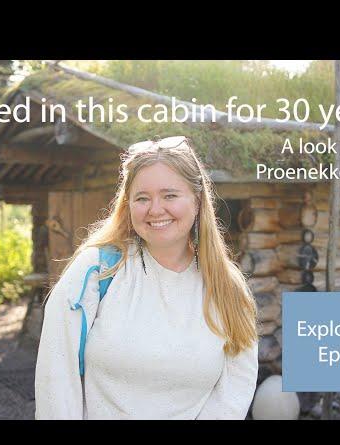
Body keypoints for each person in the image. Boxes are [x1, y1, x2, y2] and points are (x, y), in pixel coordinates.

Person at [35, 135, 258, 420]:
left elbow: (234, 390)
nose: (155, 209)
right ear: (128, 205)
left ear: (198, 200)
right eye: (142, 198)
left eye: (169, 195)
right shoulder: (97, 270)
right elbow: (56, 378)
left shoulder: (228, 288)